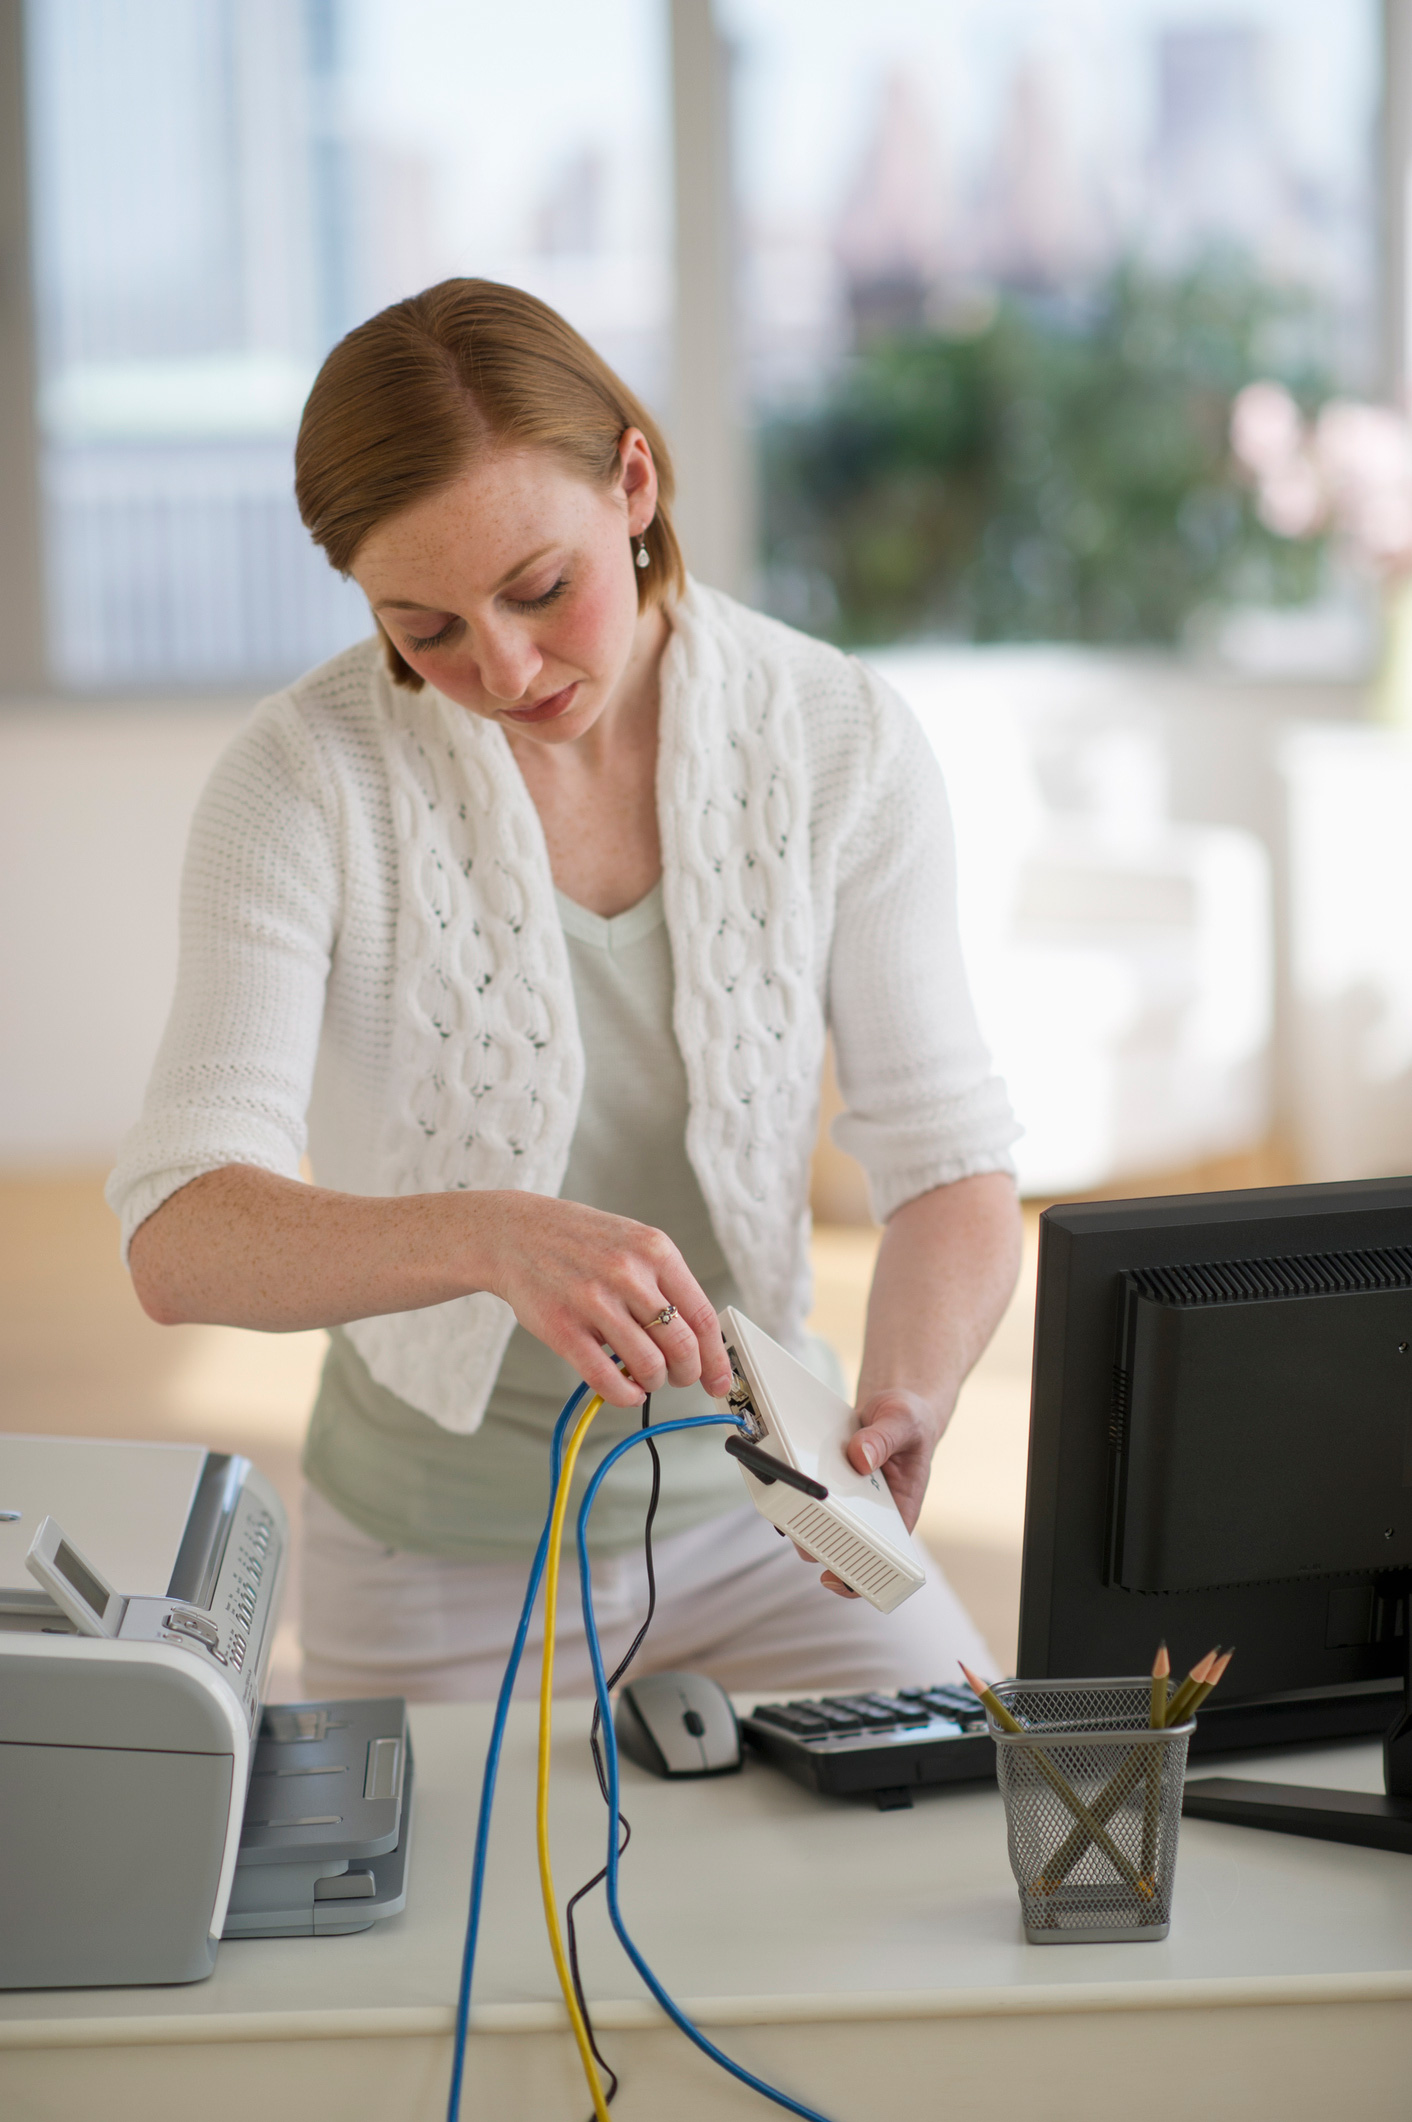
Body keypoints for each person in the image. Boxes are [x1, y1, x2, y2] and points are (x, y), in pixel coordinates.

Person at [108, 279, 1022, 1703]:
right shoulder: (299, 783)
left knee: (981, 1800)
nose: (506, 667)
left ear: (633, 483)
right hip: (432, 1557)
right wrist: (491, 1236)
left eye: (539, 589)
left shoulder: (836, 734)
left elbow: (948, 1156)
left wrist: (909, 1389)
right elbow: (180, 1235)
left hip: (771, 1524)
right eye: (427, 629)